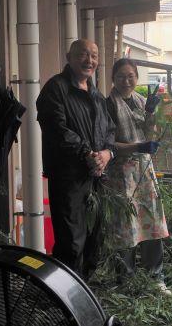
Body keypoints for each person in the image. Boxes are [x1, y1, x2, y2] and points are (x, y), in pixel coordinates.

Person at [36, 39, 115, 279]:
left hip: (96, 177)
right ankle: (66, 294)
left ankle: (86, 290)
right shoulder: (56, 88)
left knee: (95, 238)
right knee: (71, 242)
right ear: (69, 57)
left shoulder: (96, 94)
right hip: (68, 178)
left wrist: (107, 154)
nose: (89, 60)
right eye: (83, 54)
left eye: (94, 56)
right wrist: (87, 154)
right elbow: (56, 128)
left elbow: (110, 130)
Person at [105, 58, 171, 295]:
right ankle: (126, 280)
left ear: (137, 78)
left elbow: (150, 134)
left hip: (144, 171)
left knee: (152, 222)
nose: (126, 81)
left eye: (130, 76)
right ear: (113, 79)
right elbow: (107, 144)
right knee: (125, 227)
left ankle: (156, 277)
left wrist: (151, 113)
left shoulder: (142, 101)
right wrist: (137, 147)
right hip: (120, 173)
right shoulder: (108, 105)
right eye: (121, 76)